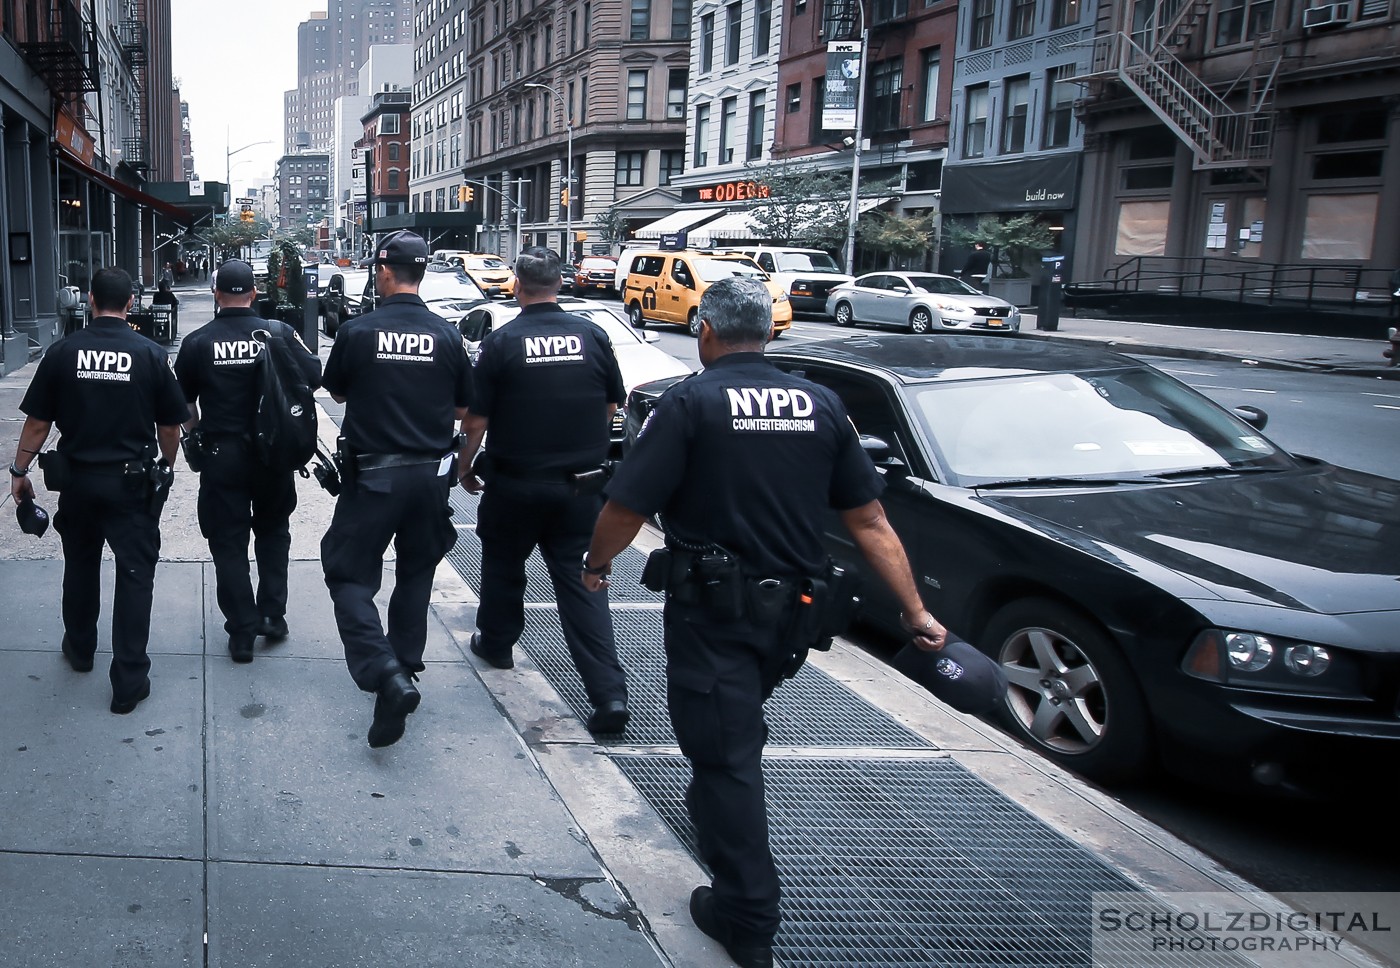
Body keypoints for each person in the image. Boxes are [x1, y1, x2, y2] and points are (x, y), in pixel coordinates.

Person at [582, 276, 947, 968]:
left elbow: (626, 508)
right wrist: (916, 611)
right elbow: (868, 519)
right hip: (793, 616)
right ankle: (715, 812)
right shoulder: (822, 403)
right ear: (770, 331)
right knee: (732, 726)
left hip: (715, 607)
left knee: (725, 756)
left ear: (707, 332)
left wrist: (597, 566)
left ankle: (747, 913)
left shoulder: (691, 402)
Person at [458, 246, 631, 735]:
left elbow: (476, 420)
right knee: (584, 584)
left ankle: (496, 643)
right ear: (561, 282)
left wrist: (466, 468)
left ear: (517, 284)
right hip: (581, 489)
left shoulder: (503, 342)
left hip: (515, 484)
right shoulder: (593, 336)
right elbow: (611, 404)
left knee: (503, 567)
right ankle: (609, 694)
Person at [10, 266, 188, 715]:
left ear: (90, 300)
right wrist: (166, 467)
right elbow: (171, 425)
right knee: (134, 577)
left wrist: (19, 469)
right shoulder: (149, 354)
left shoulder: (62, 351)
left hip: (79, 482)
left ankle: (81, 648)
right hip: (132, 485)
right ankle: (128, 681)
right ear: (131, 303)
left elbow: (37, 422)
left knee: (81, 566)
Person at [320, 231, 473, 748]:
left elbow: (337, 390)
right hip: (431, 478)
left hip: (375, 477)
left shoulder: (358, 332)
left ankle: (385, 672)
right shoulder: (447, 336)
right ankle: (405, 663)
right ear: (421, 273)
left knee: (347, 575)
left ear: (385, 272)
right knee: (416, 571)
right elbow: (462, 410)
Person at [173, 260, 321, 662]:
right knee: (273, 532)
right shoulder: (278, 333)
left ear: (216, 293)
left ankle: (241, 632)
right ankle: (272, 615)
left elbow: (181, 402)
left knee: (228, 542)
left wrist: (195, 434)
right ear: (253, 292)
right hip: (273, 454)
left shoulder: (199, 342)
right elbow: (315, 376)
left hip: (223, 456)